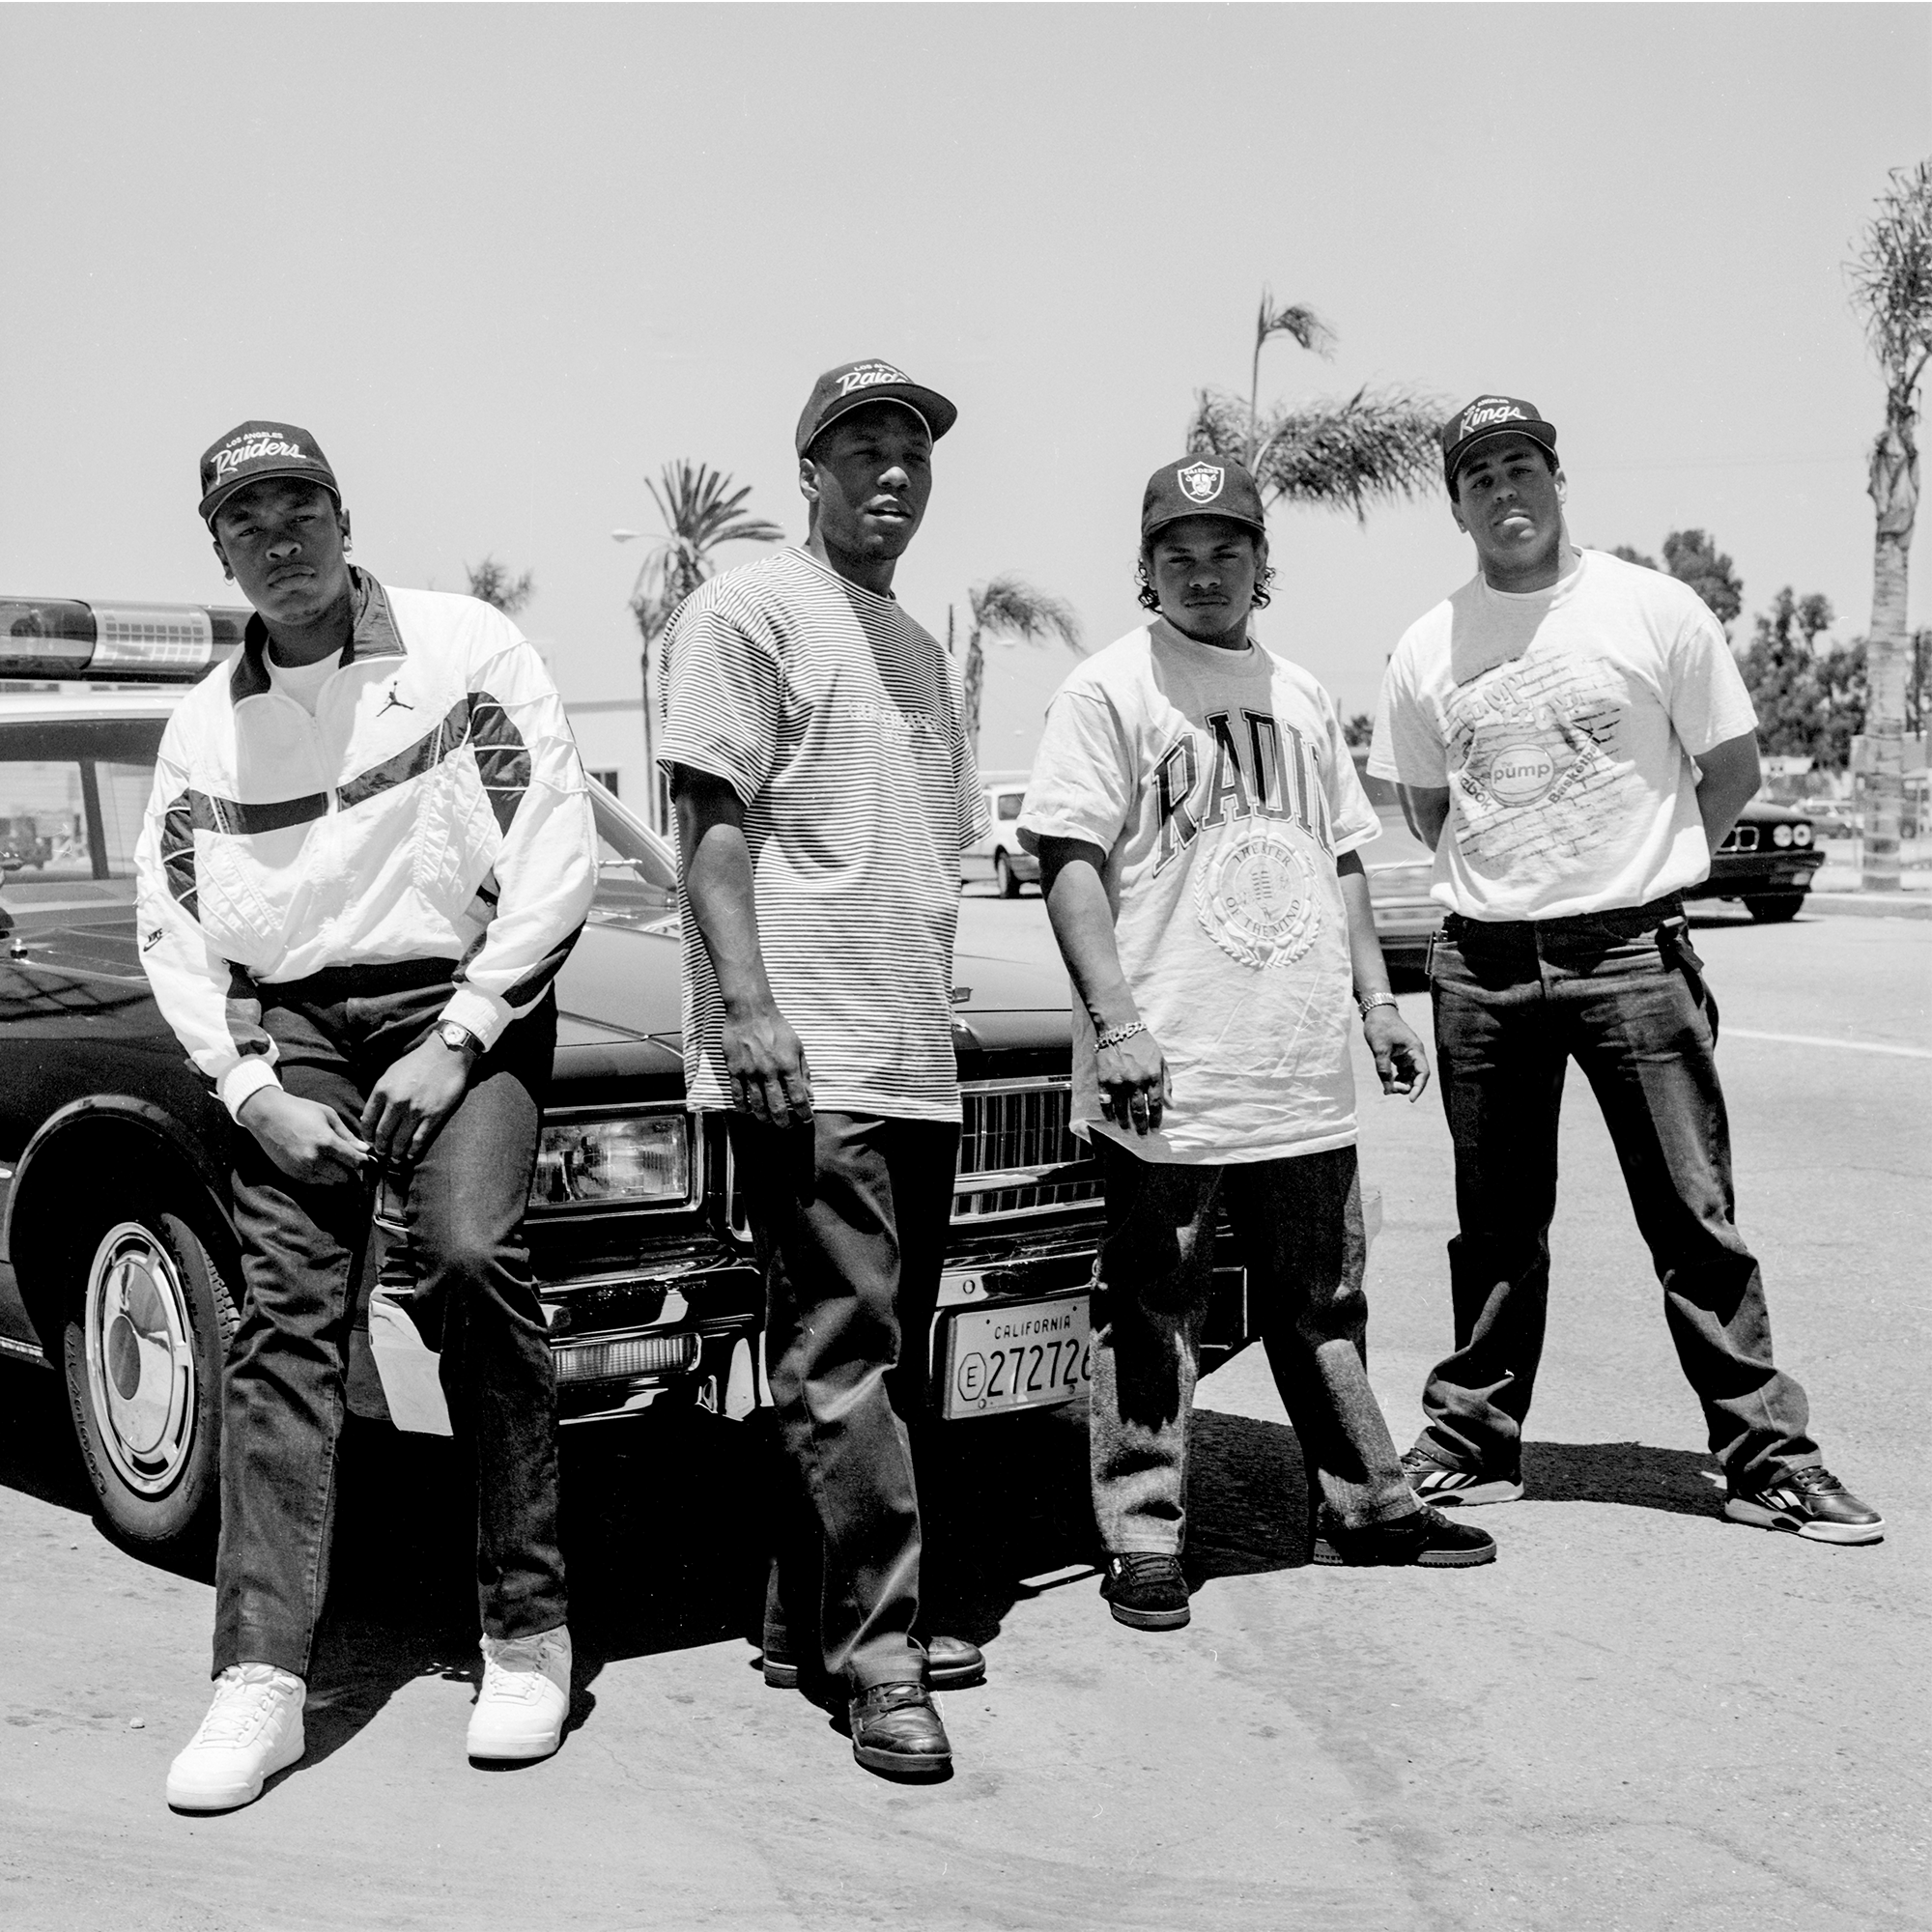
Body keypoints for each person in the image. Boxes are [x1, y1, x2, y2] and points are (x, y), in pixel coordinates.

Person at [137, 421, 599, 1812]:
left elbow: (555, 853)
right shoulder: (201, 728)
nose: (279, 541)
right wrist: (254, 1092)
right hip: (299, 1037)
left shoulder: (464, 651)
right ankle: (263, 1679)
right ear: (218, 550)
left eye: (298, 509)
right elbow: (175, 932)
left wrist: (462, 1039)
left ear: (344, 516)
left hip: (466, 999)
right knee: (286, 1328)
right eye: (246, 522)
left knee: (466, 1256)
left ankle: (526, 1631)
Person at [1368, 396, 1883, 1546]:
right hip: (1483, 964)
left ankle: (1763, 1454)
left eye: (1520, 466)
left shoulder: (1650, 607)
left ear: (1556, 480)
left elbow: (1730, 768)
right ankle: (1471, 1439)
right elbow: (1426, 807)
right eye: (1478, 476)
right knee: (1492, 1225)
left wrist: (1645, 870)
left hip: (1631, 954)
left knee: (1693, 1217)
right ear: (1455, 503)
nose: (1504, 491)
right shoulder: (1424, 645)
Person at [1018, 456, 1497, 1634]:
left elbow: (1340, 857)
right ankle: (1142, 1529)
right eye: (1176, 553)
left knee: (1323, 1297)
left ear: (1260, 564)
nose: (1201, 572)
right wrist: (1114, 1022)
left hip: (1292, 1064)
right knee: (1152, 1303)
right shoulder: (1107, 688)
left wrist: (1376, 1003)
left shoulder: (1292, 689)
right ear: (1144, 568)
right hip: (1165, 1063)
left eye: (1224, 549)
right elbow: (1067, 862)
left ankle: (1360, 1504)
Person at [656, 361, 986, 1781]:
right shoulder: (748, 606)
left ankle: (811, 1616)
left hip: (909, 1052)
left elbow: (927, 859)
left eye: (910, 449)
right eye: (861, 447)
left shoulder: (914, 642)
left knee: (865, 1352)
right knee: (844, 1356)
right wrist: (747, 1011)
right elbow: (710, 821)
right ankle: (881, 1660)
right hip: (810, 1047)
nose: (891, 471)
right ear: (808, 470)